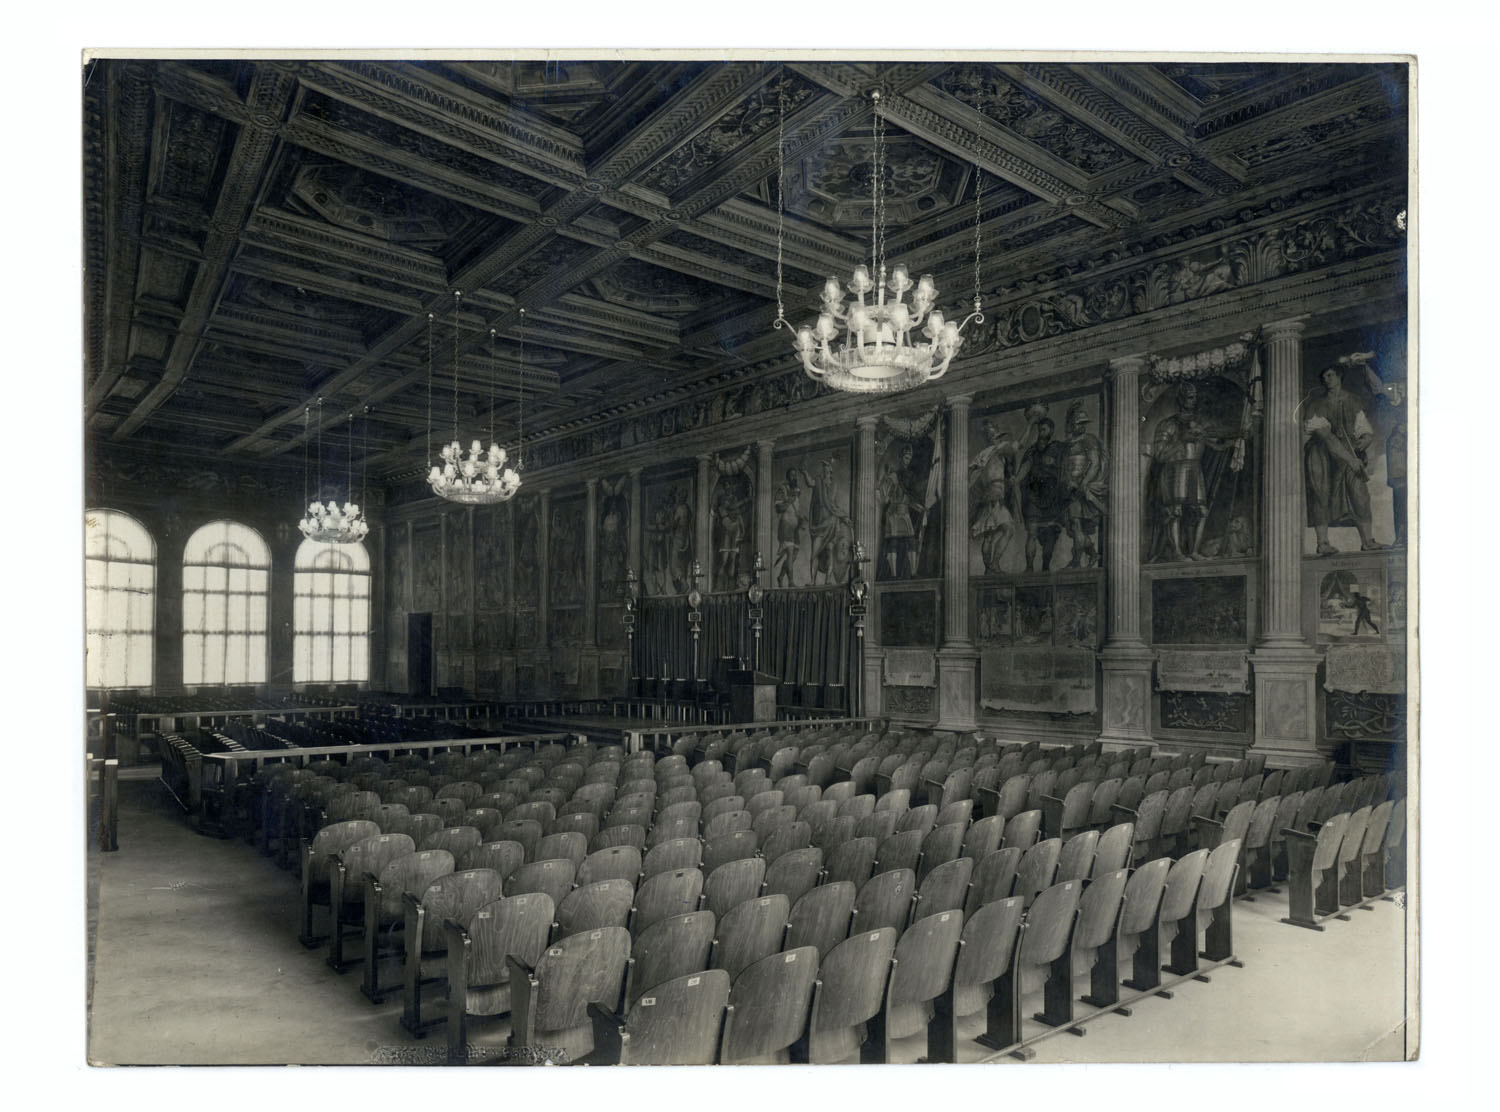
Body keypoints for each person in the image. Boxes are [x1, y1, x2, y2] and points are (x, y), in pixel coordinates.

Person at [1304, 366, 1381, 554]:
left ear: (1339, 377)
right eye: (1324, 376)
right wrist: (1350, 460)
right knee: (1320, 493)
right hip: (1321, 454)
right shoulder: (1316, 405)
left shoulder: (1353, 400)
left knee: (1360, 493)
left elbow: (1363, 427)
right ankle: (1323, 543)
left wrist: (1366, 438)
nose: (1326, 379)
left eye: (1330, 375)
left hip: (1349, 452)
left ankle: (1368, 541)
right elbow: (1327, 438)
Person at [1147, 382, 1217, 561]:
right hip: (1174, 469)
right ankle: (1177, 552)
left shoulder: (1199, 424)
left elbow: (1215, 444)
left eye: (1194, 397)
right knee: (1175, 511)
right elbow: (1160, 455)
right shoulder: (1168, 424)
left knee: (1201, 511)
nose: (1192, 401)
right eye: (1189, 397)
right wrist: (1181, 440)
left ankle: (1194, 551)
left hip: (1194, 469)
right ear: (1180, 399)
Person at [1015, 415, 1066, 571]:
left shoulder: (1058, 448)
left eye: (1044, 429)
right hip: (1033, 495)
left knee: (1050, 534)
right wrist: (1016, 479)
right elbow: (1026, 466)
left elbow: (1065, 468)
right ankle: (1029, 567)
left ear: (1051, 430)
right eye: (1039, 430)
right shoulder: (1032, 450)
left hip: (1052, 496)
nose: (1041, 433)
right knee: (1032, 532)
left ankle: (1045, 568)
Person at [1060, 402, 1107, 568]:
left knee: (1076, 524)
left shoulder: (1089, 440)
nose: (1082, 426)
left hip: (1081, 489)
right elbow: (1065, 467)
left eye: (1084, 423)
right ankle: (1092, 554)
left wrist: (1083, 484)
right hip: (1070, 489)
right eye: (1078, 423)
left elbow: (1095, 464)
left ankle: (1076, 561)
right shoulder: (1068, 443)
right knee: (1073, 527)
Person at [968, 417, 1018, 573]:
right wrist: (1030, 424)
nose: (996, 438)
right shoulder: (994, 451)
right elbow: (1016, 447)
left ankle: (989, 568)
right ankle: (993, 565)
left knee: (989, 534)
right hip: (992, 494)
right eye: (992, 435)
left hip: (993, 493)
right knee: (1007, 529)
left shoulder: (988, 454)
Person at [801, 459, 853, 585]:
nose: (827, 474)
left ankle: (828, 580)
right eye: (826, 471)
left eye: (829, 472)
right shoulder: (818, 481)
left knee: (830, 552)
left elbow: (833, 506)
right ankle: (813, 581)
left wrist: (844, 517)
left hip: (831, 523)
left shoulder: (832, 488)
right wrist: (804, 472)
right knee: (815, 554)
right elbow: (810, 482)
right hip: (818, 526)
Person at [877, 444, 921, 578]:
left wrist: (919, 507)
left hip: (905, 512)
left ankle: (913, 573)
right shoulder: (894, 475)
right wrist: (888, 484)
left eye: (909, 458)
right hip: (894, 513)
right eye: (905, 458)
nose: (907, 461)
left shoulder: (910, 476)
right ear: (901, 458)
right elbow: (885, 495)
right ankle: (894, 575)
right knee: (893, 542)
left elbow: (911, 497)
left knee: (911, 541)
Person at [773, 469, 807, 587]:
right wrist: (788, 500)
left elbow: (796, 509)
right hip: (786, 525)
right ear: (788, 477)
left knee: (793, 556)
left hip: (795, 527)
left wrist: (801, 518)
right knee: (790, 553)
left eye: (795, 475)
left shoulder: (796, 491)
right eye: (792, 475)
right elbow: (778, 508)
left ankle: (780, 576)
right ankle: (791, 582)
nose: (794, 477)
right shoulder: (783, 489)